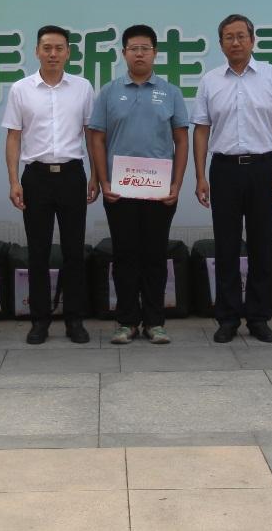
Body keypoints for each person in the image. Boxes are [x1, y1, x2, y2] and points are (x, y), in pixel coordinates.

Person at [192, 14, 272, 343]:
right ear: (220, 43)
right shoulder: (210, 80)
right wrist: (200, 175)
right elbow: (201, 130)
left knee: (261, 245)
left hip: (264, 167)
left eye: (241, 36)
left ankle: (258, 317)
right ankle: (227, 318)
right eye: (229, 37)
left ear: (252, 40)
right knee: (225, 246)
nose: (235, 42)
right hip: (223, 169)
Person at [89, 25, 189, 345]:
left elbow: (181, 140)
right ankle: (127, 321)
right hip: (119, 190)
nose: (140, 54)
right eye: (133, 48)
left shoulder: (171, 92)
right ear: (124, 53)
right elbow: (97, 138)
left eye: (145, 48)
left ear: (155, 53)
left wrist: (176, 184)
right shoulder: (109, 92)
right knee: (125, 255)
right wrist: (103, 180)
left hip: (159, 191)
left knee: (155, 255)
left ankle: (155, 322)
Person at [3, 25, 98, 345]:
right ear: (37, 51)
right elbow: (13, 136)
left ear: (68, 52)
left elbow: (91, 135)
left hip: (72, 174)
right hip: (36, 177)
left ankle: (74, 320)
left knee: (73, 251)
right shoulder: (21, 89)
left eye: (59, 48)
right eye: (47, 48)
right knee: (38, 252)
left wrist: (96, 175)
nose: (53, 54)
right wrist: (13, 180)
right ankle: (39, 321)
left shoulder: (82, 88)